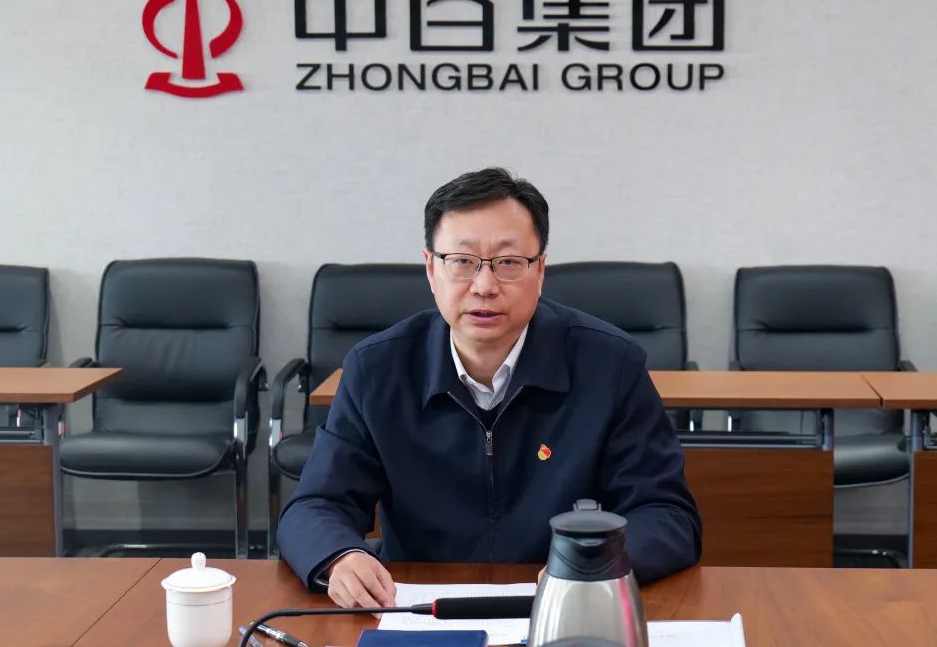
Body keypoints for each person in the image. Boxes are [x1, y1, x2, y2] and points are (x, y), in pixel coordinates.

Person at [278, 167, 701, 610]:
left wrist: (594, 564)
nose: (484, 287)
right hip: (419, 613)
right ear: (431, 269)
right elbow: (316, 504)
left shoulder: (610, 365)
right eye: (462, 262)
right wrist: (340, 557)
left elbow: (666, 514)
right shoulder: (377, 369)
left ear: (540, 270)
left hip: (566, 607)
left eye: (508, 263)